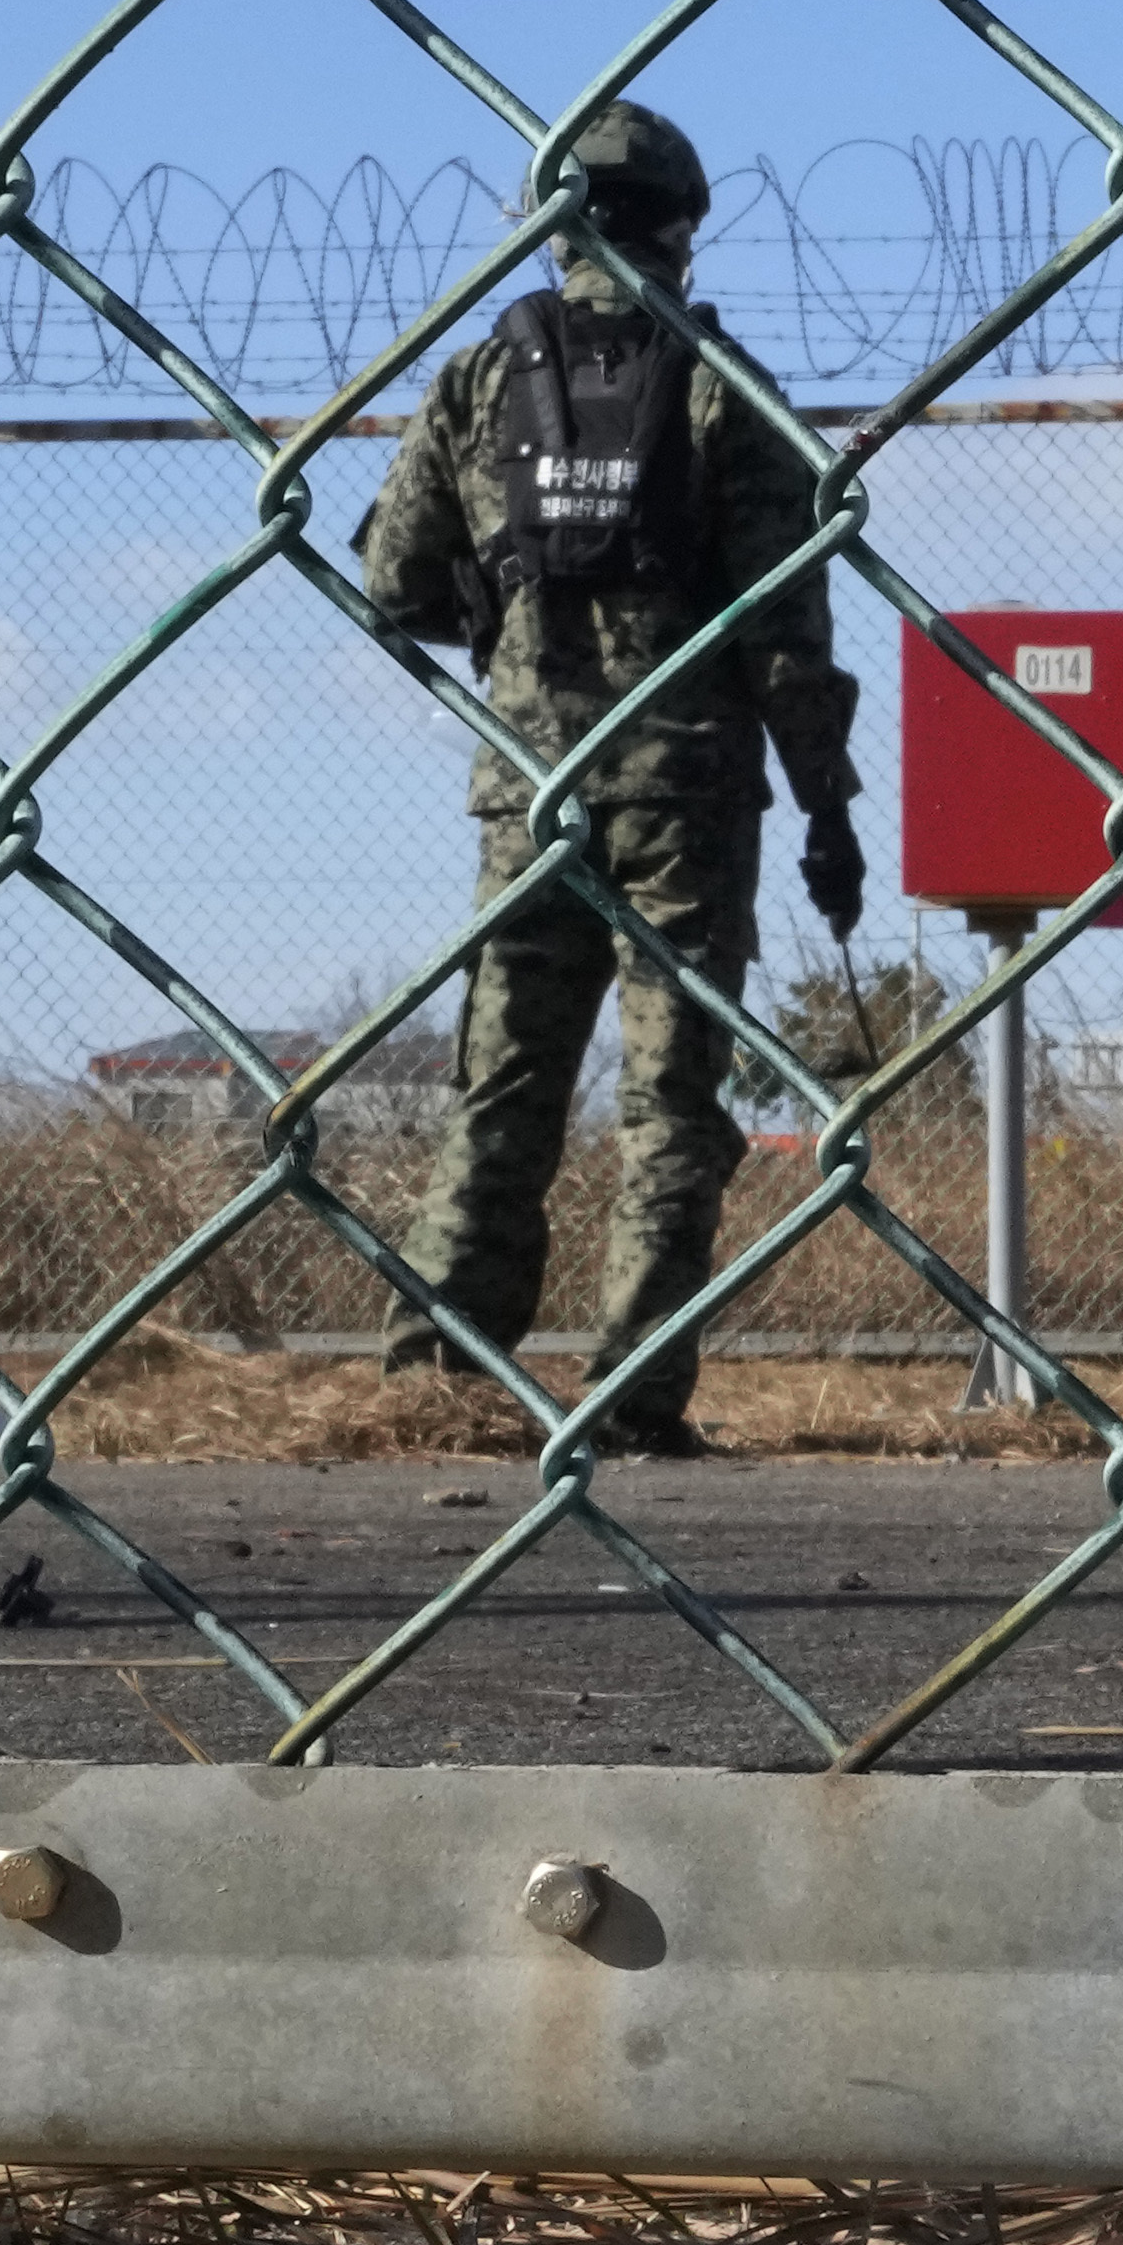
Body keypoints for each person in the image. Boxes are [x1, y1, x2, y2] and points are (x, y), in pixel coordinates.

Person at [353, 100, 868, 1455]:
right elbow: (786, 636)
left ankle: (438, 1372)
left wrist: (507, 607)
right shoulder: (722, 386)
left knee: (503, 1079)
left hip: (528, 789)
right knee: (669, 1102)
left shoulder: (478, 380)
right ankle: (633, 1393)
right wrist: (827, 807)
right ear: (683, 228)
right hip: (686, 800)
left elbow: (387, 579)